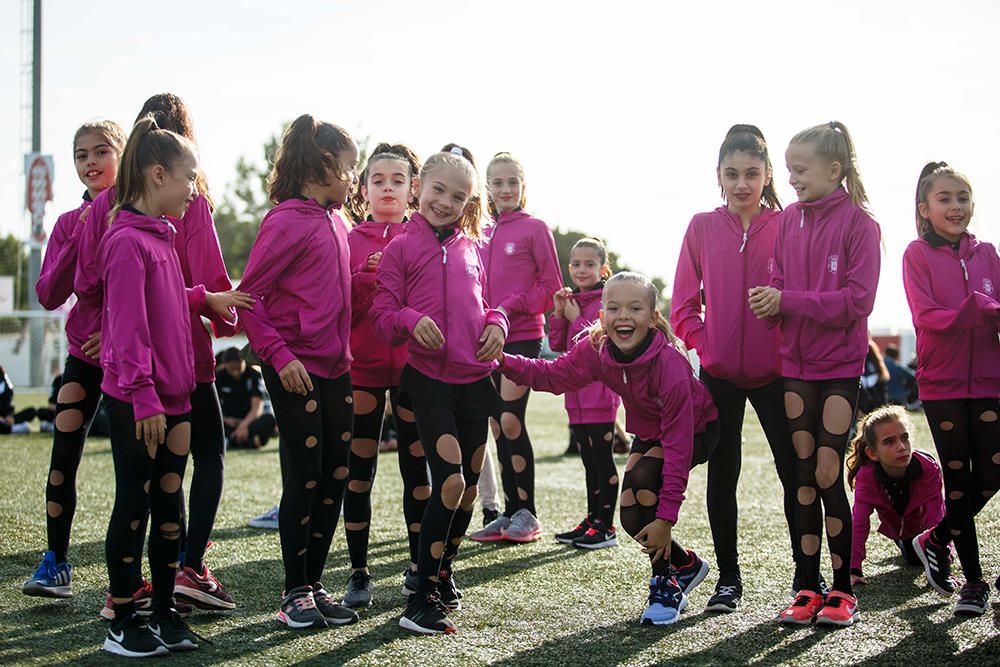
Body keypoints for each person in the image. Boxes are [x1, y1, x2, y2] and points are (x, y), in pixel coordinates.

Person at [501, 271, 718, 626]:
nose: (624, 316)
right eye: (613, 308)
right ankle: (687, 565)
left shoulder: (670, 364)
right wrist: (502, 360)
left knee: (647, 479)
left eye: (635, 308)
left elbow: (678, 449)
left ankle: (664, 585)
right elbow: (552, 376)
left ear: (653, 317)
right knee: (632, 518)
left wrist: (666, 519)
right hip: (650, 431)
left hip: (697, 429)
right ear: (601, 316)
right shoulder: (596, 348)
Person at [749, 120, 880, 627]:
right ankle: (806, 587)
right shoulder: (787, 221)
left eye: (799, 170)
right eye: (789, 170)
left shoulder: (860, 225)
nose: (792, 179)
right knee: (803, 478)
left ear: (834, 169)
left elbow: (857, 302)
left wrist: (789, 301)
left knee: (828, 473)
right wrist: (770, 303)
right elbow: (778, 282)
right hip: (795, 367)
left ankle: (843, 590)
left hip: (839, 369)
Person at [371, 148, 507, 634]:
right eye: (437, 190)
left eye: (457, 196)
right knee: (448, 482)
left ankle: (443, 570)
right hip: (428, 383)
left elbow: (486, 304)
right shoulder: (400, 248)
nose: (445, 202)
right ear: (417, 189)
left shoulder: (472, 248)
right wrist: (411, 320)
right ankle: (421, 593)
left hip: (475, 381)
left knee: (469, 490)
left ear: (469, 203)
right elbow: (383, 316)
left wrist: (499, 323)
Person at [238, 114, 360, 630]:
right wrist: (280, 355)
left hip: (337, 367)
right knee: (305, 476)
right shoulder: (285, 219)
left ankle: (312, 582)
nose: (353, 178)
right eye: (351, 167)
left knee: (337, 472)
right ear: (324, 164)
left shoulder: (337, 220)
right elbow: (249, 300)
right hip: (296, 370)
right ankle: (293, 591)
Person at [671, 124, 799, 613]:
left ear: (768, 175)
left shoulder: (789, 225)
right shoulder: (702, 226)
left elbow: (800, 298)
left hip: (778, 374)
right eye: (732, 174)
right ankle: (728, 580)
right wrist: (711, 347)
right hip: (719, 375)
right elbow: (684, 306)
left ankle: (803, 576)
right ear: (718, 177)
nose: (742, 183)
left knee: (794, 474)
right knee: (723, 475)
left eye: (751, 173)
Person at [98, 115, 201, 656]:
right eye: (189, 178)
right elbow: (127, 327)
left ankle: (164, 612)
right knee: (133, 507)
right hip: (140, 403)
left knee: (170, 509)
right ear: (158, 175)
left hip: (176, 400)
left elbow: (165, 308)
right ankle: (123, 621)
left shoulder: (163, 237)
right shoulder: (125, 242)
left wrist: (201, 298)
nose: (193, 190)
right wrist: (143, 396)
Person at [22, 119, 126, 599]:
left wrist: (112, 329)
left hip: (133, 357)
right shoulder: (69, 221)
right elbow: (48, 294)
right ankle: (56, 562)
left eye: (100, 151)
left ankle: (145, 577)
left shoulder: (139, 215)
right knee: (62, 457)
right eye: (80, 154)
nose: (90, 162)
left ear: (124, 156)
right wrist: (78, 236)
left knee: (140, 468)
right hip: (83, 358)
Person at [902, 161, 1000, 616]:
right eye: (945, 199)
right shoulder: (916, 255)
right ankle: (975, 584)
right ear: (925, 208)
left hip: (990, 380)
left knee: (993, 475)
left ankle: (935, 537)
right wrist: (977, 308)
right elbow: (928, 318)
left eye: (962, 198)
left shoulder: (988, 255)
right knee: (959, 484)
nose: (956, 206)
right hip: (941, 384)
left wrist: (990, 309)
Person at [341, 143, 430, 609]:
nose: (388, 187)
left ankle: (420, 569)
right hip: (364, 371)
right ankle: (358, 573)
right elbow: (339, 309)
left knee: (417, 470)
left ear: (413, 189)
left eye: (398, 179)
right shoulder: (349, 238)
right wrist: (363, 279)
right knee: (359, 474)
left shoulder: (425, 237)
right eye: (379, 180)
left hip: (416, 369)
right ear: (364, 188)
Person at [469, 152, 561, 544]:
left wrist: (510, 307)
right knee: (495, 423)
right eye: (498, 183)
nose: (505, 190)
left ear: (523, 186)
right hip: (483, 337)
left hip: (521, 335)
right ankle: (508, 512)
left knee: (509, 419)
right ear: (487, 187)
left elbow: (551, 288)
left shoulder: (535, 228)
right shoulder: (480, 229)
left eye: (512, 182)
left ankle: (528, 513)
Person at [549, 238, 621, 549]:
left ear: (603, 269)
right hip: (574, 396)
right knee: (588, 461)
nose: (582, 269)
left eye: (589, 264)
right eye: (576, 264)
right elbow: (557, 345)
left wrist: (575, 317)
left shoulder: (607, 301)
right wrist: (558, 313)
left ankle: (606, 526)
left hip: (600, 396)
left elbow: (595, 343)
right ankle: (592, 519)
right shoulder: (570, 301)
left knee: (602, 460)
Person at [846, 405, 949, 588]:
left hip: (925, 530)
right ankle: (904, 544)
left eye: (905, 438)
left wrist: (942, 562)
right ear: (872, 453)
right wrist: (854, 569)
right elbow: (859, 522)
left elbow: (938, 517)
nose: (901, 447)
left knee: (920, 559)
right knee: (912, 559)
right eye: (889, 442)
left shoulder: (928, 468)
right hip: (901, 532)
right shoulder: (867, 476)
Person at [215, 347, 276, 448]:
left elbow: (257, 409)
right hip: (228, 422)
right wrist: (225, 419)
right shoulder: (219, 377)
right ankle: (247, 442)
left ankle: (231, 441)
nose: (236, 373)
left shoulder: (254, 375)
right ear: (225, 365)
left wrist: (243, 427)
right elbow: (212, 406)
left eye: (238, 368)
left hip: (249, 421)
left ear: (244, 363)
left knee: (270, 420)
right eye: (232, 369)